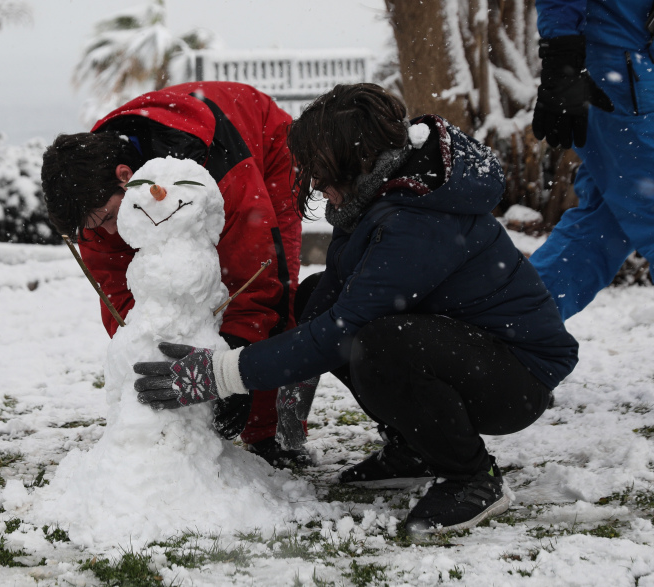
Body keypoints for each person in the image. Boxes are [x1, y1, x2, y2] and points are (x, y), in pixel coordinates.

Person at [133, 84, 579, 539]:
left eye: (321, 171)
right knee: (313, 298)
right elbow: (327, 307)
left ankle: (472, 477)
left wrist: (223, 373)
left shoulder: (416, 219)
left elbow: (339, 331)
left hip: (517, 377)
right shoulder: (381, 193)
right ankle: (416, 447)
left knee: (380, 344)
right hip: (466, 349)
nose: (316, 185)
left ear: (357, 159)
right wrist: (272, 389)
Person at [40, 81, 310, 466]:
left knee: (279, 294)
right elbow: (123, 303)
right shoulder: (92, 200)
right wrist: (151, 355)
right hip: (168, 166)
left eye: (111, 218)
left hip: (262, 149)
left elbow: (257, 279)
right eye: (95, 228)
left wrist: (235, 368)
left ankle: (275, 433)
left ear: (125, 176)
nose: (110, 234)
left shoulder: (217, 169)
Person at [530, 0, 654, 320]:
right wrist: (562, 57)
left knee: (604, 224)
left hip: (633, 62)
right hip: (621, 64)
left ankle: (507, 325)